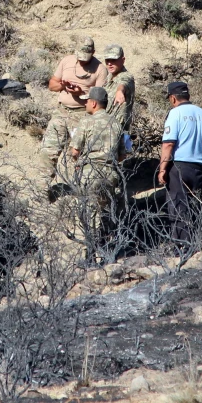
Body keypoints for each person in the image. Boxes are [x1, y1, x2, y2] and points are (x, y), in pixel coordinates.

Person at [68, 86, 125, 258]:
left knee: (89, 214)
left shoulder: (86, 121)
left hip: (90, 173)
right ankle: (110, 250)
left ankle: (90, 254)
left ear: (93, 103)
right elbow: (122, 155)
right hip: (110, 174)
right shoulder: (115, 123)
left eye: (87, 101)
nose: (85, 103)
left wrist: (79, 161)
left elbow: (74, 151)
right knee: (108, 212)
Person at [157, 81, 202, 244]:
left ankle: (181, 250)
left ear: (173, 98)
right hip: (200, 169)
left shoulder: (175, 114)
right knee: (196, 210)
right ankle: (197, 246)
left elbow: (169, 144)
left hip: (179, 168)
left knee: (178, 210)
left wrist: (162, 169)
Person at [42, 36, 108, 172]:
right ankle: (43, 188)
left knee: (77, 155)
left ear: (93, 52)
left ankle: (79, 189)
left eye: (86, 56)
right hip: (61, 112)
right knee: (48, 152)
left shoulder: (100, 69)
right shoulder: (66, 61)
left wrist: (81, 93)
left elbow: (100, 98)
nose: (82, 60)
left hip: (82, 116)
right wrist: (63, 86)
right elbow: (51, 85)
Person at [103, 44, 135, 134]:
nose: (109, 63)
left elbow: (124, 83)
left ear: (122, 60)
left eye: (113, 60)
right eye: (107, 60)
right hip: (105, 126)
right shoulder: (109, 77)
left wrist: (119, 91)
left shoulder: (126, 76)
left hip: (118, 128)